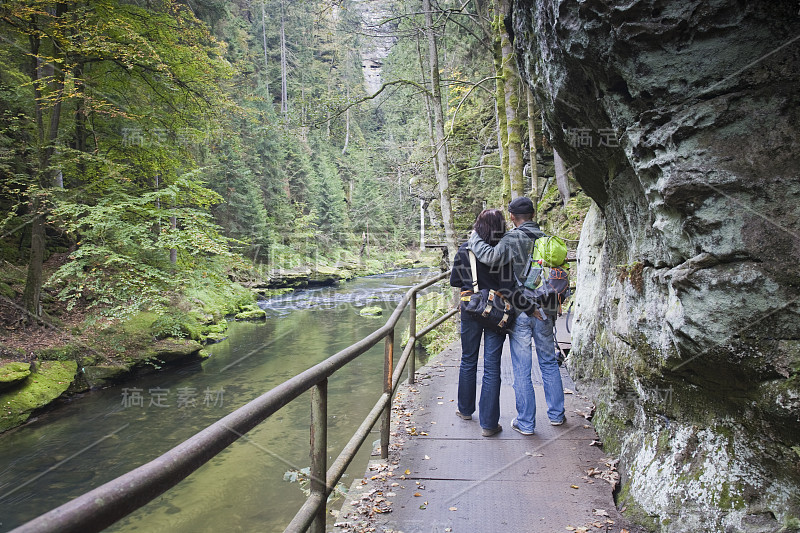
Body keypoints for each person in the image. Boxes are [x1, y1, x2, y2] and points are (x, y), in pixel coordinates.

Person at [468, 197, 566, 435]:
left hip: (521, 309)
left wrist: (474, 239)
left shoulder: (512, 238)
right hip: (546, 308)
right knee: (548, 362)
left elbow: (490, 257)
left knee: (522, 369)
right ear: (533, 214)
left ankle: (526, 423)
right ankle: (556, 415)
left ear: (512, 217)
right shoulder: (548, 239)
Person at [450, 209, 514, 437]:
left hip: (470, 309)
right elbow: (508, 286)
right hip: (496, 312)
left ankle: (465, 410)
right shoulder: (505, 252)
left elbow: (455, 280)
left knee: (468, 359)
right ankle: (488, 424)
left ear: (478, 226)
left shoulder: (464, 251)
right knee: (491, 365)